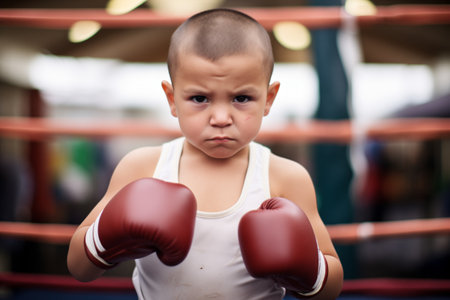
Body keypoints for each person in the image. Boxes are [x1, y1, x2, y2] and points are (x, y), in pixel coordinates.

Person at [67, 8, 343, 299]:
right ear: (172, 100)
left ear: (268, 99)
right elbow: (79, 268)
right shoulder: (142, 167)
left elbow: (332, 285)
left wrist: (310, 272)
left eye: (241, 98)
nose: (221, 117)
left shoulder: (285, 177)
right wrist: (103, 240)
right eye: (199, 98)